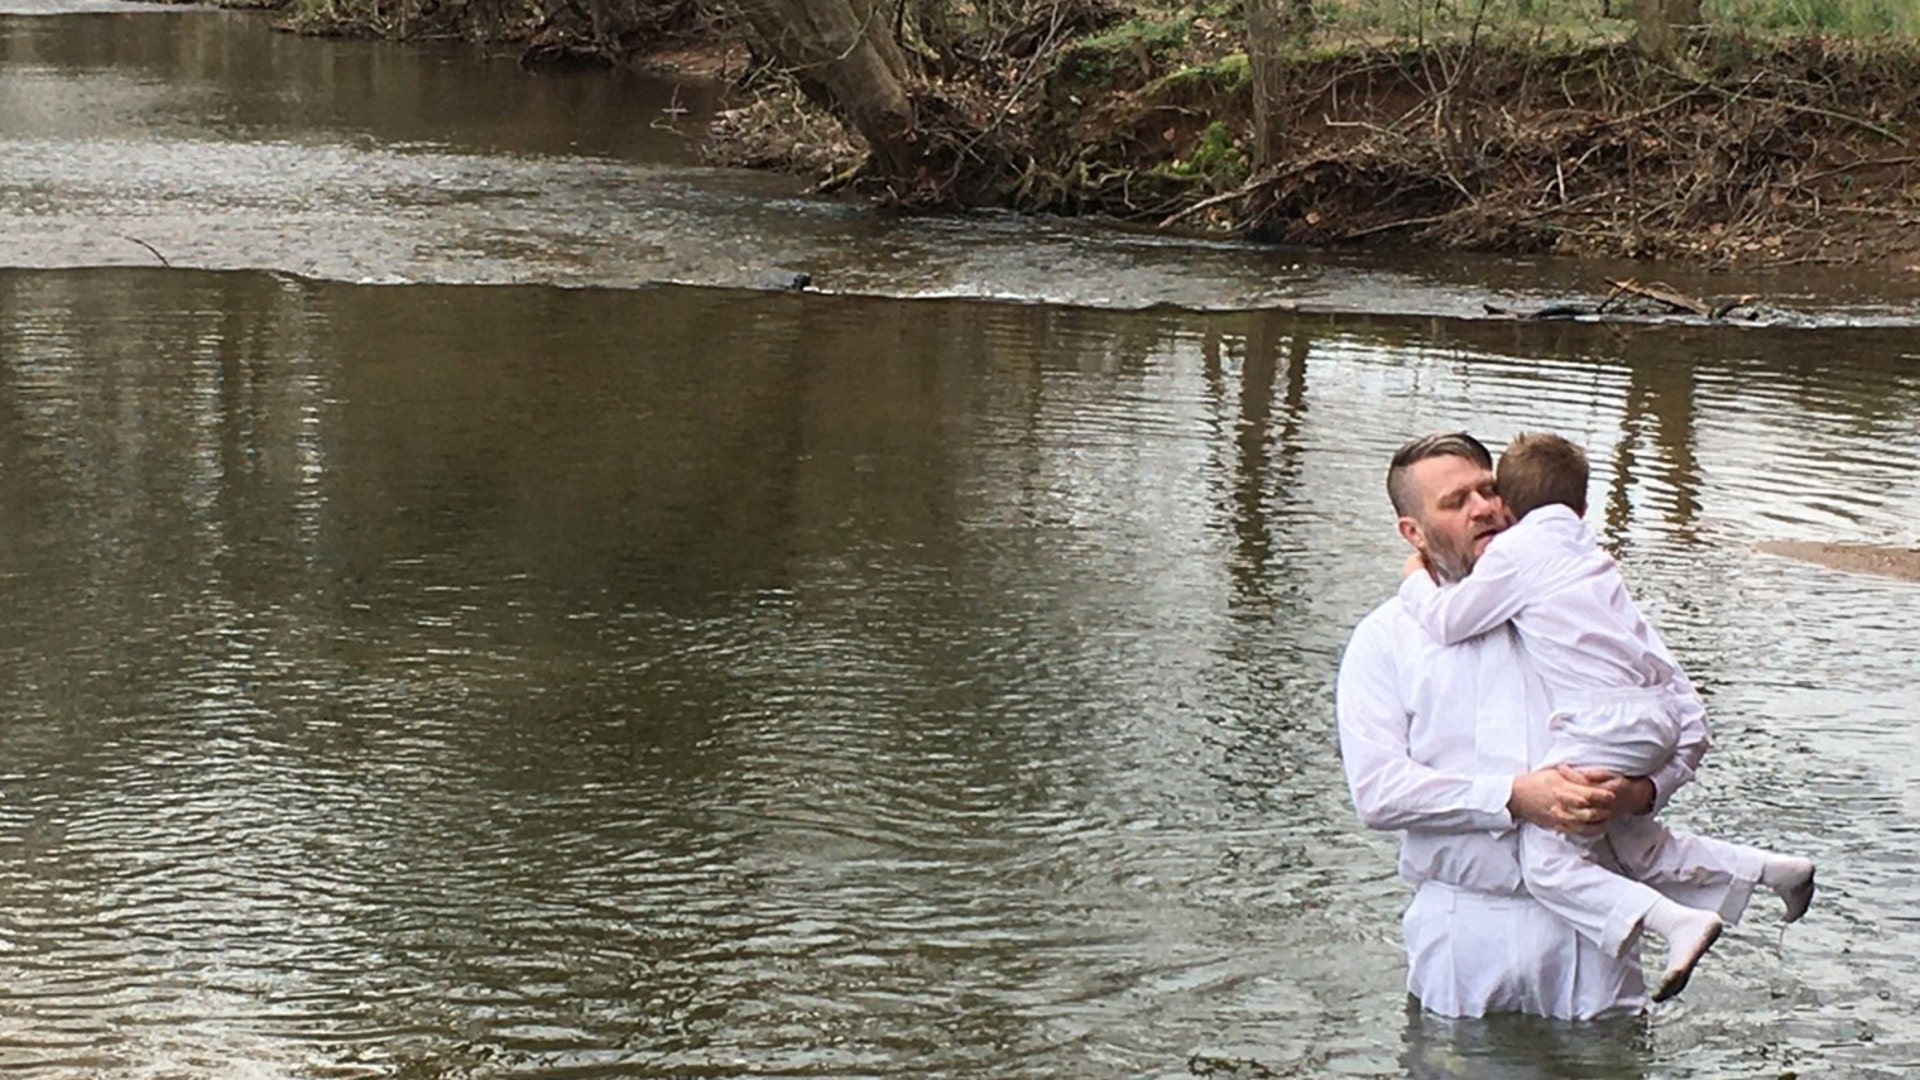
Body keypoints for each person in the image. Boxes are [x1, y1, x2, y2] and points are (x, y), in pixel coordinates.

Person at [1335, 432, 1772, 1019]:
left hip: (1594, 933)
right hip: (1463, 930)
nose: (1484, 507)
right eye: (1456, 501)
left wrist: (1642, 792)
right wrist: (1514, 798)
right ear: (1413, 533)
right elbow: (1378, 793)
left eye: (1488, 490)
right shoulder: (1385, 639)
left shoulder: (1576, 599)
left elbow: (1688, 719)